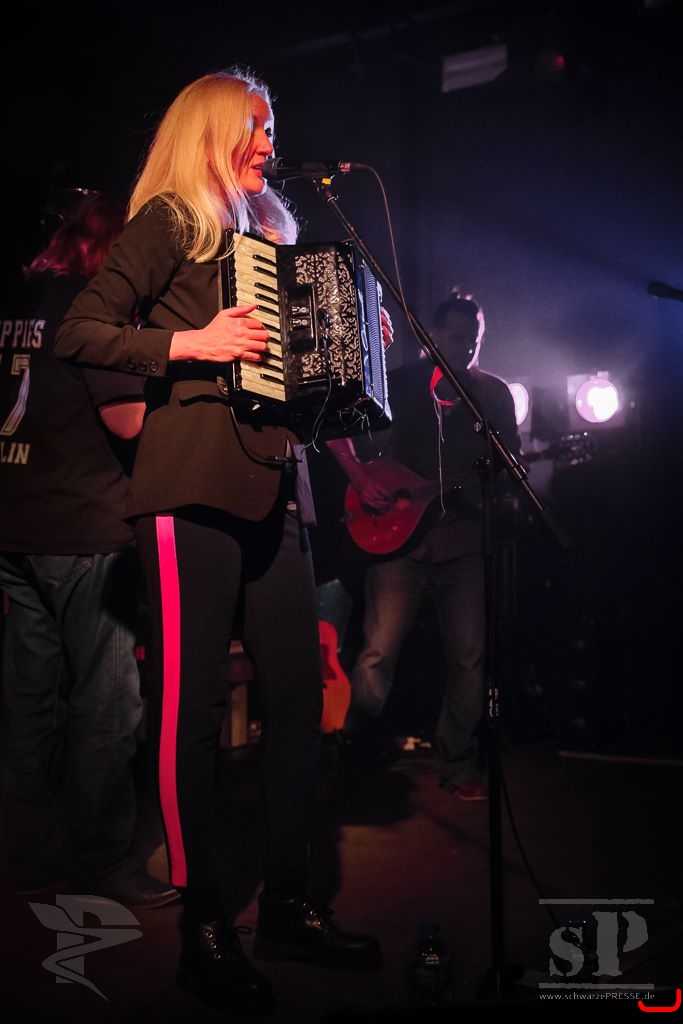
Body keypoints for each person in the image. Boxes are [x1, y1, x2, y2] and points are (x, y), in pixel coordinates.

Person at [54, 68, 382, 1015]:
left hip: (277, 486)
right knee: (187, 710)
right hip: (189, 486)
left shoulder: (267, 231)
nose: (270, 143)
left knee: (297, 697)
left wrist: (345, 348)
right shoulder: (170, 221)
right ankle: (202, 926)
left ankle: (285, 902)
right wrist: (188, 344)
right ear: (210, 129)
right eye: (256, 126)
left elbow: (289, 375)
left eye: (273, 128)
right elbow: (81, 331)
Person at [0, 190, 178, 908]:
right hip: (83, 529)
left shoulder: (22, 302)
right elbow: (129, 421)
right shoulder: (91, 309)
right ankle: (102, 860)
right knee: (106, 703)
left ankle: (27, 855)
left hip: (17, 526)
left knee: (28, 702)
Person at [328, 289, 523, 801]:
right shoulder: (398, 384)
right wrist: (368, 481)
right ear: (433, 335)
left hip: (462, 543)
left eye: (474, 339)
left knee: (468, 660)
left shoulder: (493, 395)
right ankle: (357, 759)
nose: (466, 347)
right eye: (456, 337)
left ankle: (458, 764)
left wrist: (489, 481)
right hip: (399, 543)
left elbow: (509, 464)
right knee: (377, 654)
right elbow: (354, 438)